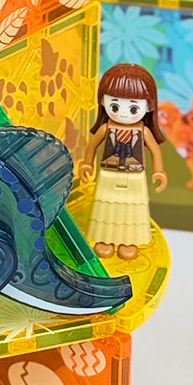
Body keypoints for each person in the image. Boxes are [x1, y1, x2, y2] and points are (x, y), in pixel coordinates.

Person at [79, 63, 167, 260]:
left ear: (149, 105)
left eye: (133, 107)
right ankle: (105, 239)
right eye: (115, 106)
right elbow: (92, 146)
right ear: (103, 102)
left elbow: (155, 151)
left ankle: (128, 241)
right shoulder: (105, 129)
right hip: (108, 175)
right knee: (106, 207)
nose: (124, 113)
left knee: (131, 209)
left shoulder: (143, 132)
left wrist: (159, 171)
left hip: (134, 176)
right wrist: (87, 164)